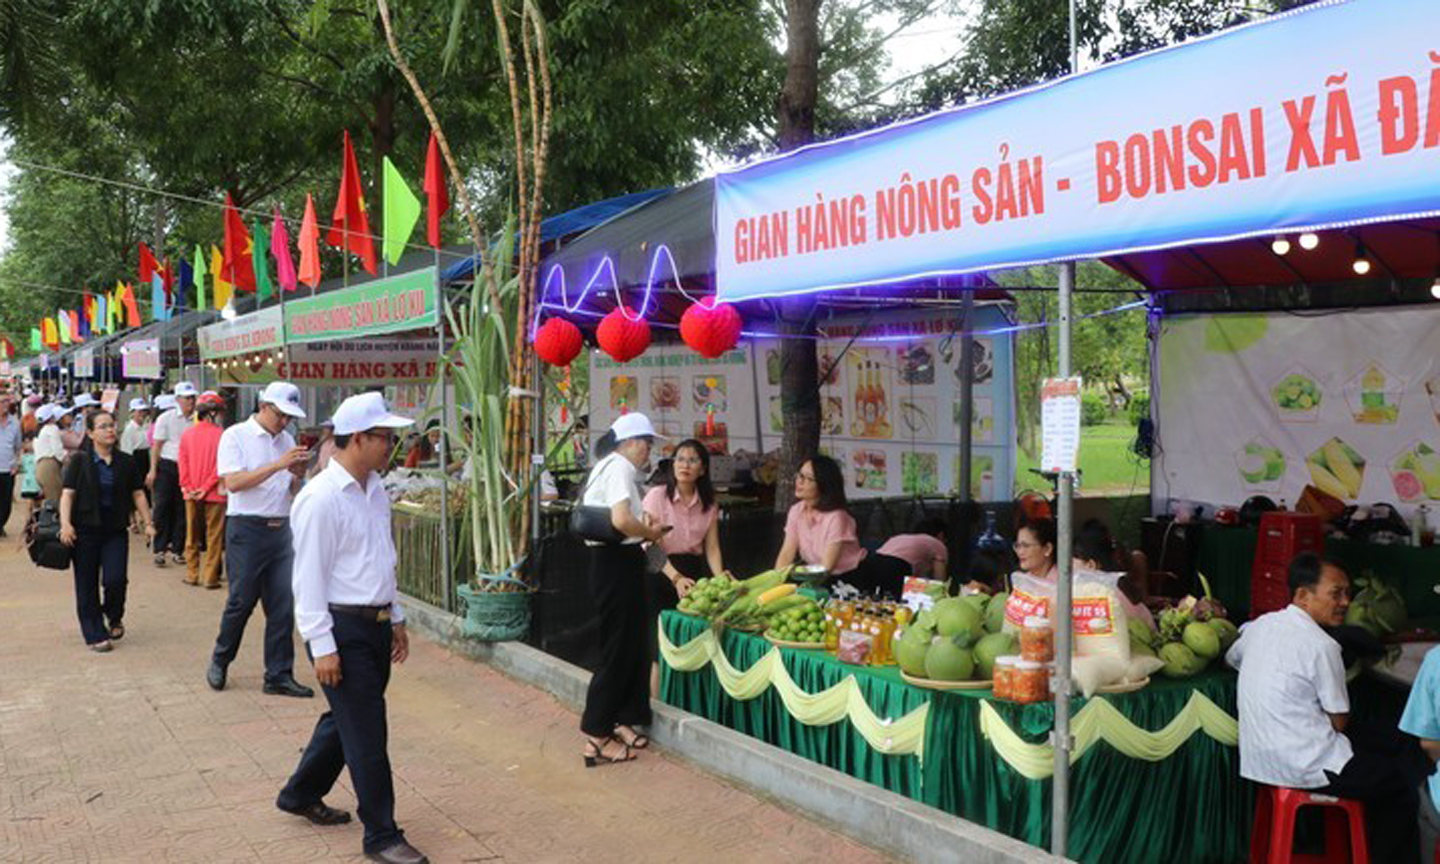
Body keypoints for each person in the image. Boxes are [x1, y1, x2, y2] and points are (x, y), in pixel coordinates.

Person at [277, 392, 427, 864]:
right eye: (385, 437)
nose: (392, 445)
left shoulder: (374, 486)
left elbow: (382, 558)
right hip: (340, 627)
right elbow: (308, 580)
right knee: (366, 730)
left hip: (375, 624)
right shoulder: (321, 499)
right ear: (358, 438)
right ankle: (381, 834)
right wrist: (322, 645)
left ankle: (300, 792)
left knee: (348, 719)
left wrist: (396, 616)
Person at [1228, 553, 1426, 863]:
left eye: (1347, 593)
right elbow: (1340, 723)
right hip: (1306, 762)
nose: (1345, 602)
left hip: (1260, 757)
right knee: (1401, 785)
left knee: (1394, 738)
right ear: (1303, 596)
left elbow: (1234, 657)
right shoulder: (1322, 646)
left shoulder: (1259, 627)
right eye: (1336, 593)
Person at [206, 381, 313, 698]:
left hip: (281, 528)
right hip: (247, 529)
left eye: (289, 418)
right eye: (280, 415)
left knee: (282, 605)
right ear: (264, 406)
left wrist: (296, 473)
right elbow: (234, 482)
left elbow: (291, 490)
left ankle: (279, 673)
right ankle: (220, 659)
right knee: (241, 600)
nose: (285, 423)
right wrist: (278, 464)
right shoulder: (235, 435)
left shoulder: (288, 440)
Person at [579, 413, 669, 766]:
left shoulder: (610, 467)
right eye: (647, 442)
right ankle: (597, 734)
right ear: (630, 442)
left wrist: (641, 528)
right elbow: (620, 521)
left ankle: (622, 718)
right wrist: (652, 534)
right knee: (618, 647)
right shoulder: (618, 467)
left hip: (619, 560)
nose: (649, 450)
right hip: (614, 562)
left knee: (632, 643)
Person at [58, 410, 154, 652]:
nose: (110, 430)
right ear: (90, 433)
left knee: (116, 579)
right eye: (103, 427)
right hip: (85, 532)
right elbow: (67, 494)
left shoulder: (126, 461)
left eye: (111, 426)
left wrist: (148, 522)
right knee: (86, 584)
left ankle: (114, 615)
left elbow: (138, 493)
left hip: (115, 531)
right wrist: (66, 524)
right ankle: (94, 633)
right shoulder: (79, 461)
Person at [641, 438, 723, 694]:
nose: (685, 465)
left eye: (692, 460)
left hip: (693, 575)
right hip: (659, 571)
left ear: (703, 469)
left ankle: (681, 704)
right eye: (680, 459)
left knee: (687, 642)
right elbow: (648, 545)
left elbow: (712, 548)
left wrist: (722, 580)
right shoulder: (656, 496)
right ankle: (653, 707)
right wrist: (675, 578)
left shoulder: (709, 503)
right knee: (658, 646)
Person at [775, 455, 897, 596]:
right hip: (816, 578)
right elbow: (786, 553)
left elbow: (827, 567)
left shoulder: (837, 517)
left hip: (847, 579)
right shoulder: (796, 510)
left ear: (823, 485)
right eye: (800, 475)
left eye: (808, 479)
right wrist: (776, 583)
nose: (799, 482)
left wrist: (803, 592)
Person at [178, 392, 227, 590]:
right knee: (214, 537)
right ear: (214, 413)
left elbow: (183, 464)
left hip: (190, 493)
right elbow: (221, 467)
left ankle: (192, 574)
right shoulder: (222, 435)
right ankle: (210, 577)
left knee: (192, 535)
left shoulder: (187, 434)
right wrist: (206, 488)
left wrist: (189, 487)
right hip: (214, 493)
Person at [149, 382, 197, 567]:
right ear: (177, 399)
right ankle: (159, 549)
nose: (190, 401)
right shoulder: (166, 418)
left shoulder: (197, 420)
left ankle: (178, 549)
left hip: (189, 468)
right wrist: (153, 469)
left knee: (182, 509)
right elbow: (157, 446)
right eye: (187, 398)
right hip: (167, 466)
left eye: (192, 397)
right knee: (162, 507)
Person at [874, 516, 950, 582]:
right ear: (941, 535)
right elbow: (939, 580)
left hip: (874, 561)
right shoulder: (937, 544)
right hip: (896, 566)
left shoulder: (901, 537)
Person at [33, 404, 73, 503]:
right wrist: (69, 461)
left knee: (49, 499)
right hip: (49, 466)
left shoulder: (41, 431)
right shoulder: (52, 428)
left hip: (40, 467)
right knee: (56, 500)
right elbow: (58, 451)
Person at [0, 393, 23, 536]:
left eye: (7, 402)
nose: (5, 405)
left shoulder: (14, 423)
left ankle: (1, 523)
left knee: (6, 501)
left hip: (8, 468)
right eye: (2, 402)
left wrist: (16, 463)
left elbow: (17, 446)